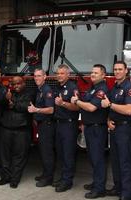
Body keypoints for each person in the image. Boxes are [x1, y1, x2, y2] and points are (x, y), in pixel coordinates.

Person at [71, 64, 109, 199]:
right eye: (92, 72)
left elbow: (92, 107)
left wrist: (76, 101)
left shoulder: (102, 89)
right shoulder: (92, 88)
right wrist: (83, 123)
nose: (92, 74)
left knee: (98, 158)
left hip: (97, 128)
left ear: (103, 75)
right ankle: (96, 183)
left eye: (96, 73)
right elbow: (85, 107)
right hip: (89, 127)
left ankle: (100, 189)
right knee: (92, 158)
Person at [101, 61, 131, 200]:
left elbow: (128, 110)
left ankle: (126, 194)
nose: (117, 72)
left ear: (126, 71)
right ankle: (117, 188)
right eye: (115, 69)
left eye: (120, 69)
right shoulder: (115, 87)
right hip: (115, 128)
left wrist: (110, 104)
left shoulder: (129, 87)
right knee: (115, 160)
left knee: (125, 161)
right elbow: (111, 109)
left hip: (125, 129)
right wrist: (108, 120)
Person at [0, 76, 33, 188]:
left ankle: (15, 179)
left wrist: (13, 103)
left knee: (19, 156)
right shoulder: (8, 92)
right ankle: (6, 176)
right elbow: (1, 105)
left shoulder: (30, 93)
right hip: (6, 129)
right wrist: (5, 98)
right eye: (14, 84)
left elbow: (26, 106)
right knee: (5, 156)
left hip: (22, 130)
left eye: (18, 83)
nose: (16, 86)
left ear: (23, 83)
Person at [53, 64, 79, 192]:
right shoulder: (58, 87)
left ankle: (67, 181)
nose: (59, 75)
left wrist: (62, 103)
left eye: (62, 73)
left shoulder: (72, 88)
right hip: (59, 124)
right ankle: (63, 177)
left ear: (68, 75)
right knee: (61, 153)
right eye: (58, 73)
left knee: (68, 154)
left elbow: (77, 107)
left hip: (69, 125)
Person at [28, 69, 55, 187]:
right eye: (35, 76)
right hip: (41, 124)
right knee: (43, 152)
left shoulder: (47, 90)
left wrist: (36, 110)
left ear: (45, 77)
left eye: (39, 76)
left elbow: (51, 110)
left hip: (47, 125)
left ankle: (48, 178)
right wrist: (35, 117)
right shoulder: (39, 90)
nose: (36, 78)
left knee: (47, 153)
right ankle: (45, 174)